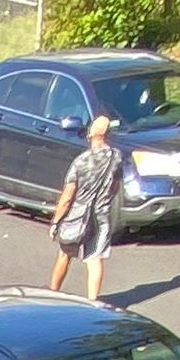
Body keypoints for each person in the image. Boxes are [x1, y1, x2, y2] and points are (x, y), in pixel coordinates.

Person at [50, 114, 122, 302]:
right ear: (108, 135)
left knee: (65, 253)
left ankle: (52, 293)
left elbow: (67, 196)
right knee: (95, 258)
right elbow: (115, 186)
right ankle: (92, 301)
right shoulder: (116, 157)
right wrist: (105, 200)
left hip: (78, 215)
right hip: (102, 214)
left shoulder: (81, 161)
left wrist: (56, 221)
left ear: (90, 135)